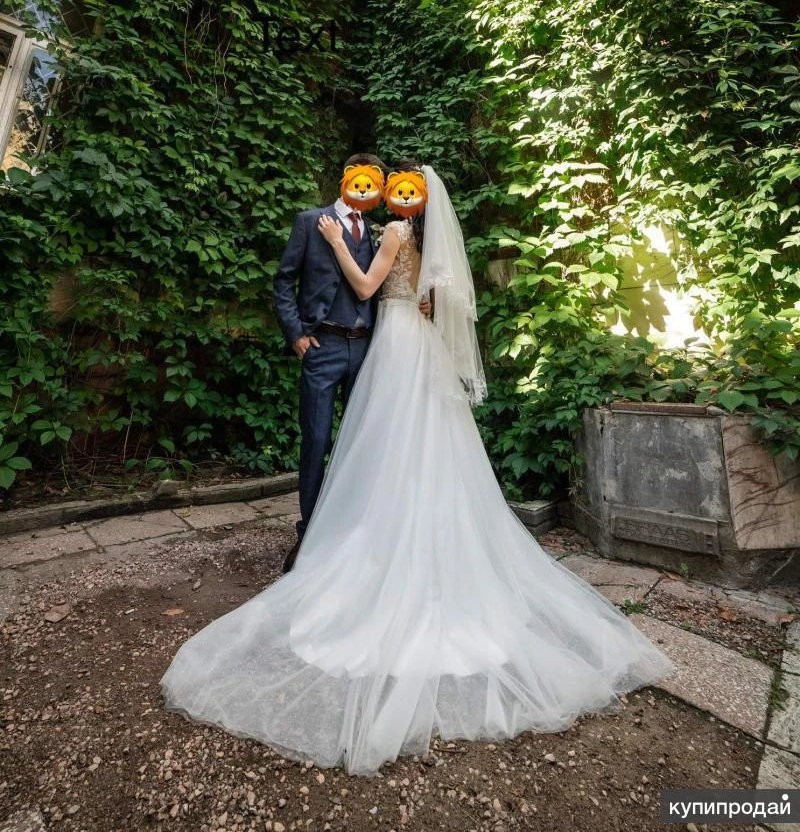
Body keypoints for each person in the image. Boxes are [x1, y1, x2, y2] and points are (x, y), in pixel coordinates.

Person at [160, 162, 675, 776]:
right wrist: (311, 322)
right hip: (410, 346)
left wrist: (338, 244)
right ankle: (361, 536)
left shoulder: (394, 233)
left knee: (382, 446)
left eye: (403, 189)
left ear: (411, 198)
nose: (391, 194)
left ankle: (367, 546)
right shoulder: (424, 239)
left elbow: (368, 288)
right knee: (403, 448)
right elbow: (414, 298)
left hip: (391, 346)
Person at [272, 153, 430, 573]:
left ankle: (353, 532)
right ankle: (308, 536)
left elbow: (389, 281)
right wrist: (296, 334)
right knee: (317, 440)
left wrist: (423, 302)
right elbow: (284, 281)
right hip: (322, 347)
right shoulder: (311, 222)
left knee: (365, 443)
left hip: (369, 350)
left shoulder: (384, 231)